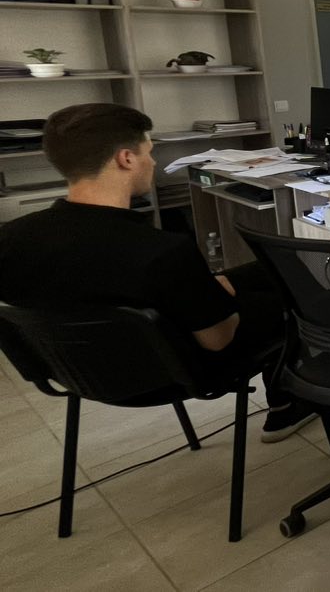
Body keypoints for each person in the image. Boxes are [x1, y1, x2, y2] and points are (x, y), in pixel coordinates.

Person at [0, 104, 312, 441]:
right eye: (149, 152)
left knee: (267, 271)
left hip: (78, 369)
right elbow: (219, 339)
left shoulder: (10, 240)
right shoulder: (161, 251)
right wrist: (222, 297)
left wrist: (207, 289)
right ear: (126, 159)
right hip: (176, 371)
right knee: (293, 300)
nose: (152, 162)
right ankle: (287, 404)